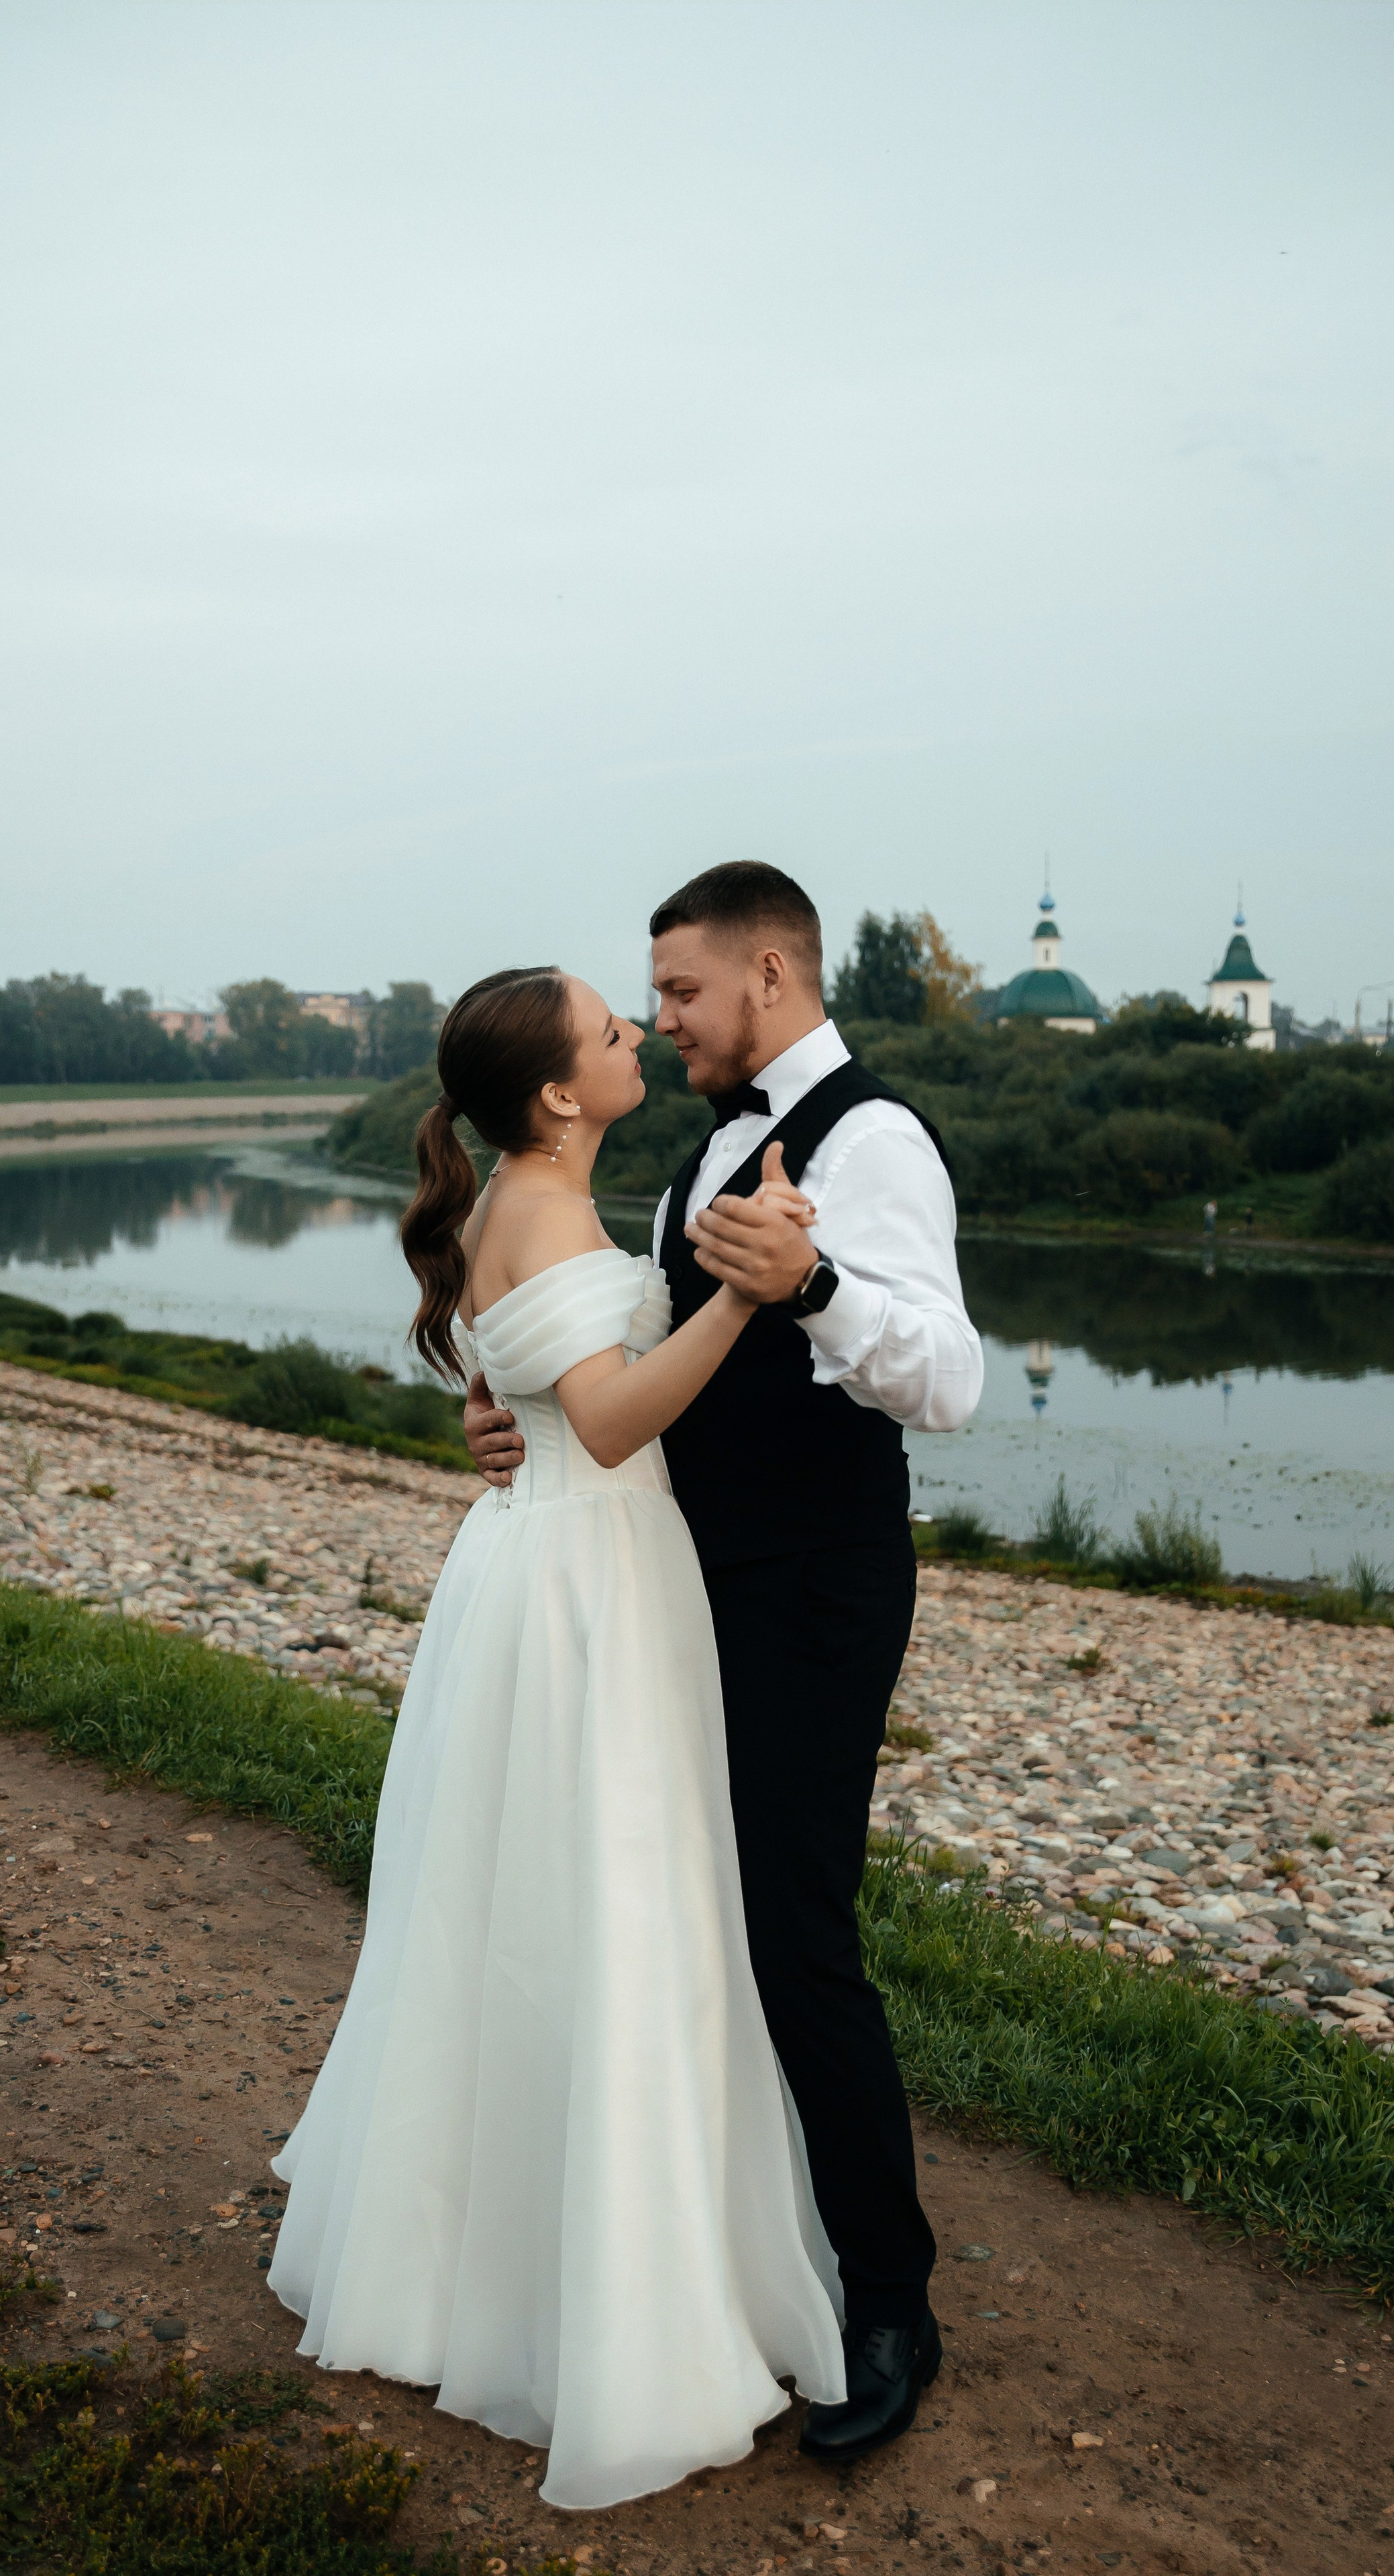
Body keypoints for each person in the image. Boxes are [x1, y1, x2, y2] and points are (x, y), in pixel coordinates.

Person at [268, 962, 849, 2510]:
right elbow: (599, 1421)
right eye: (607, 1029)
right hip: (586, 1575)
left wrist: (502, 1398)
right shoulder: (537, 1206)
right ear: (551, 1096)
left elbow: (522, 1376)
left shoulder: (533, 1199)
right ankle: (586, 2296)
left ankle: (514, 2250)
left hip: (561, 1569)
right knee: (602, 1909)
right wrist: (746, 1288)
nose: (632, 1035)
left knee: (535, 1906)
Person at [464, 863, 983, 2465]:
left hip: (815, 1590)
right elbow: (613, 1351)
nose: (663, 1018)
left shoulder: (874, 1140)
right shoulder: (705, 1136)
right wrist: (522, 1411)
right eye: (646, 1002)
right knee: (704, 1921)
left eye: (679, 992)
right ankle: (740, 2253)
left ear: (768, 972)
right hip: (690, 1586)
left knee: (795, 1935)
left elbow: (951, 1380)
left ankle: (890, 2301)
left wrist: (815, 1286)